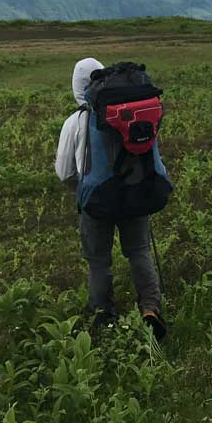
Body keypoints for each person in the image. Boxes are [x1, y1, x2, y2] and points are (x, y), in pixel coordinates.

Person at [55, 57, 166, 338]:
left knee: (99, 260)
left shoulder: (76, 121)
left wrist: (82, 190)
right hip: (135, 192)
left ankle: (103, 316)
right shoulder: (131, 114)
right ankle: (150, 308)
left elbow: (65, 172)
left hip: (96, 200)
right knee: (139, 250)